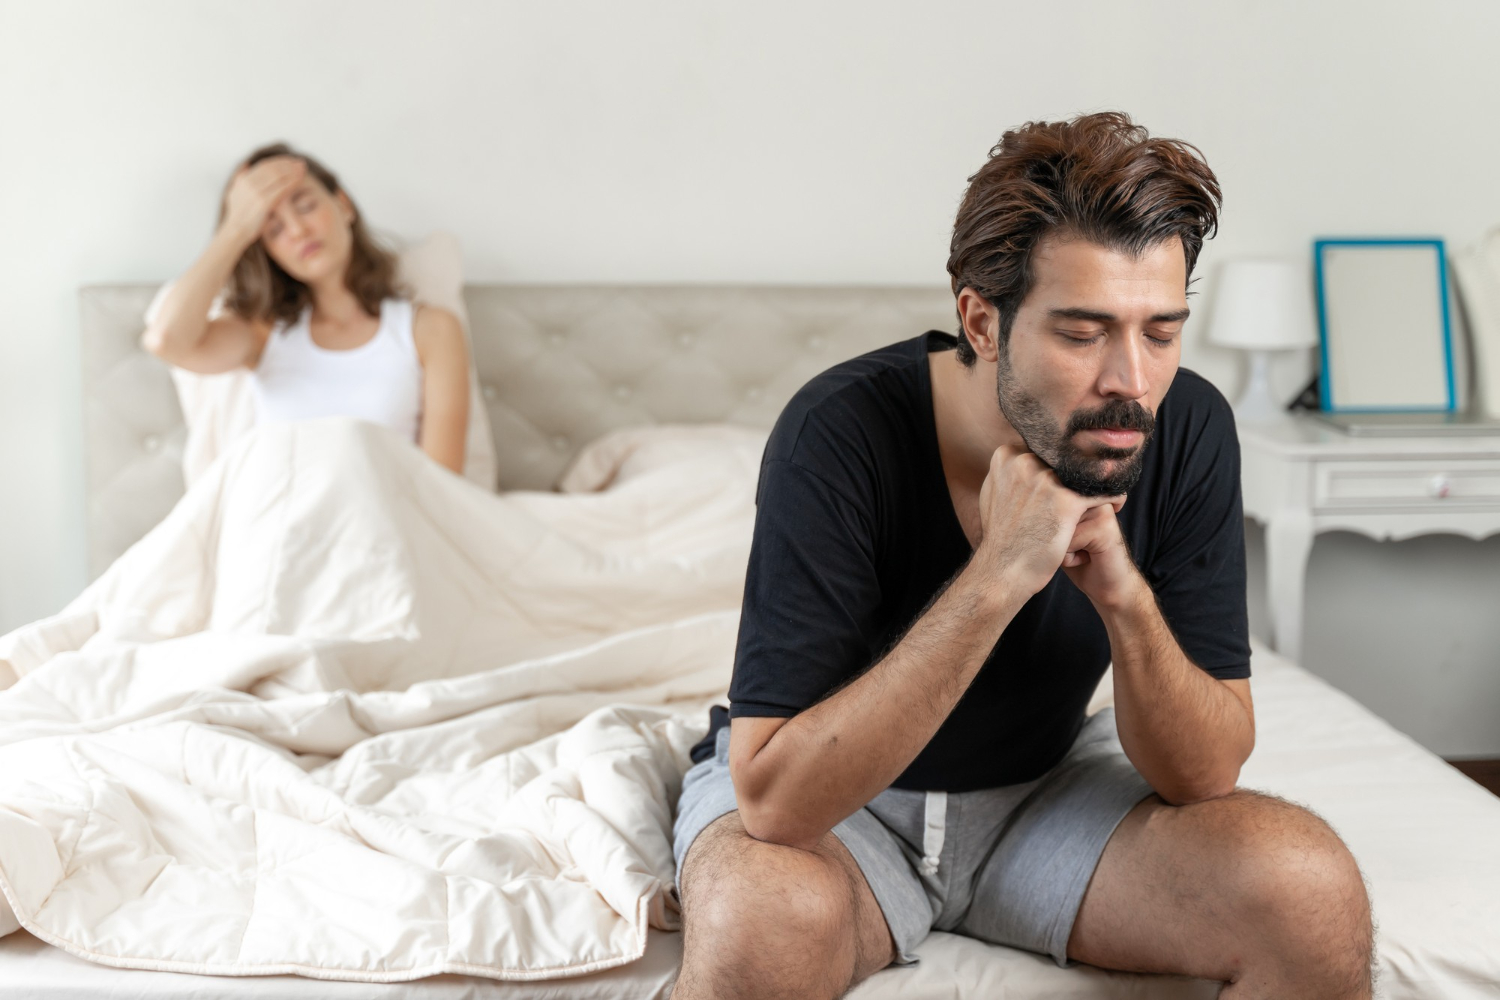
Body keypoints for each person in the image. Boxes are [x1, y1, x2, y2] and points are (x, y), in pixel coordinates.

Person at [670, 112, 1374, 1000]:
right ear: (982, 321)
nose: (1130, 380)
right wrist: (1001, 573)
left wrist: (1123, 597)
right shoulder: (837, 432)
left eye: (1160, 332)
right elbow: (774, 802)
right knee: (764, 931)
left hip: (1043, 802)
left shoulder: (1185, 425)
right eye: (1082, 334)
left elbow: (1205, 772)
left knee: (1309, 893)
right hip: (841, 816)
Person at [143, 143, 470, 474]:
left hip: (385, 519)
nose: (299, 231)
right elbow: (167, 339)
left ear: (342, 204)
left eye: (306, 206)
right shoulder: (262, 334)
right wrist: (236, 228)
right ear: (264, 249)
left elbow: (442, 487)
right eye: (273, 228)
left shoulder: (430, 329)